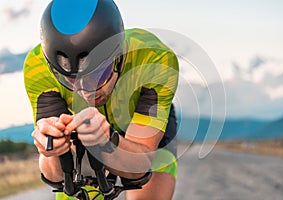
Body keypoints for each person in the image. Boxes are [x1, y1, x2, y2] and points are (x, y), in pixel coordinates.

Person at [24, 0, 179, 199]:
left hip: (140, 125)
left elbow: (138, 168)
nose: (85, 92)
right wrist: (51, 149)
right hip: (85, 133)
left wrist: (108, 141)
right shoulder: (37, 67)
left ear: (119, 57)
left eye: (99, 74)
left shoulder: (156, 59)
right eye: (70, 79)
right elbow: (55, 175)